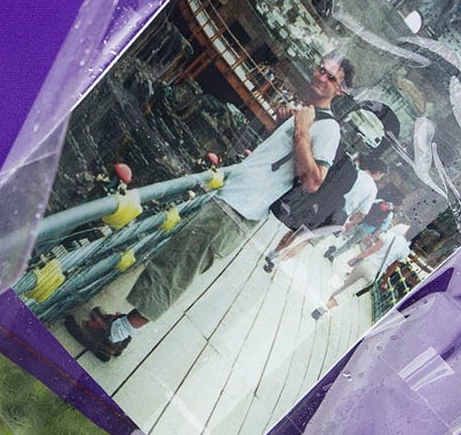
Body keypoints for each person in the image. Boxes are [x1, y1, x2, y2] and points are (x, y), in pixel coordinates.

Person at [68, 54, 352, 358]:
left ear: (341, 90)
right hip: (234, 197)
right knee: (172, 259)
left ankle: (116, 335)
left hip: (237, 208)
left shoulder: (326, 128)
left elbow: (312, 181)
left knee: (177, 270)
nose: (322, 77)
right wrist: (289, 125)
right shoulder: (306, 115)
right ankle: (122, 324)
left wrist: (300, 131)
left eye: (331, 77)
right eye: (322, 69)